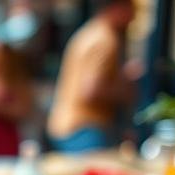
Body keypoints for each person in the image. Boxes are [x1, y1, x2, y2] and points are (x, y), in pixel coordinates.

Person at [47, 0, 137, 153]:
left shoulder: (90, 31)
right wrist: (126, 87)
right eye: (132, 10)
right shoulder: (105, 39)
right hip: (84, 128)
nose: (133, 17)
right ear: (117, 8)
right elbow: (90, 90)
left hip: (67, 124)